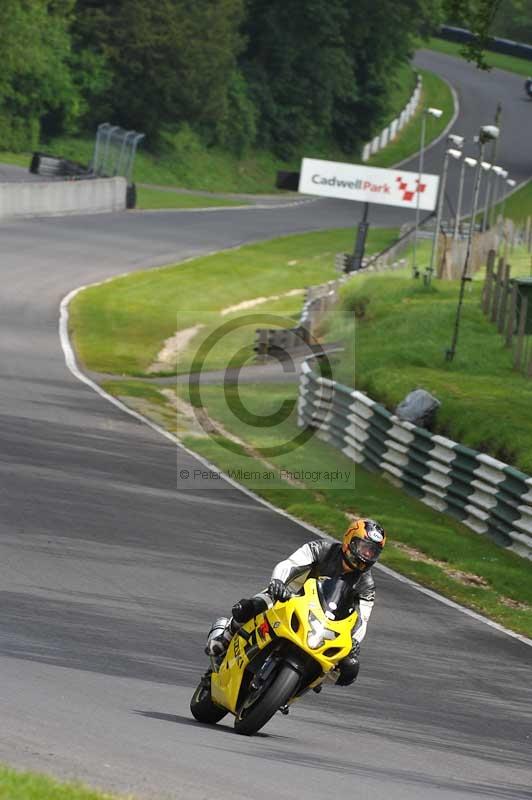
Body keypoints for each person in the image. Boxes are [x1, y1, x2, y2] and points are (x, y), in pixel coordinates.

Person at [205, 518, 386, 686]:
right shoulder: (322, 548)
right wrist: (278, 582)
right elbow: (290, 564)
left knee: (350, 669)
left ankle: (303, 684)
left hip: (326, 622)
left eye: (372, 552)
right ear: (349, 540)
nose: (366, 555)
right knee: (249, 607)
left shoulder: (367, 585)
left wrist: (354, 641)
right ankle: (225, 637)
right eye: (364, 547)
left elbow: (363, 619)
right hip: (289, 597)